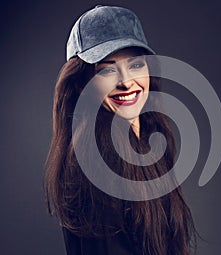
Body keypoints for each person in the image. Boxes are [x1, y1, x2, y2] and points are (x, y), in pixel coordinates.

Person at [45, 5, 197, 255]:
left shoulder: (148, 140)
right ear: (83, 83)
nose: (126, 82)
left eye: (136, 65)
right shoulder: (96, 160)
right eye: (107, 70)